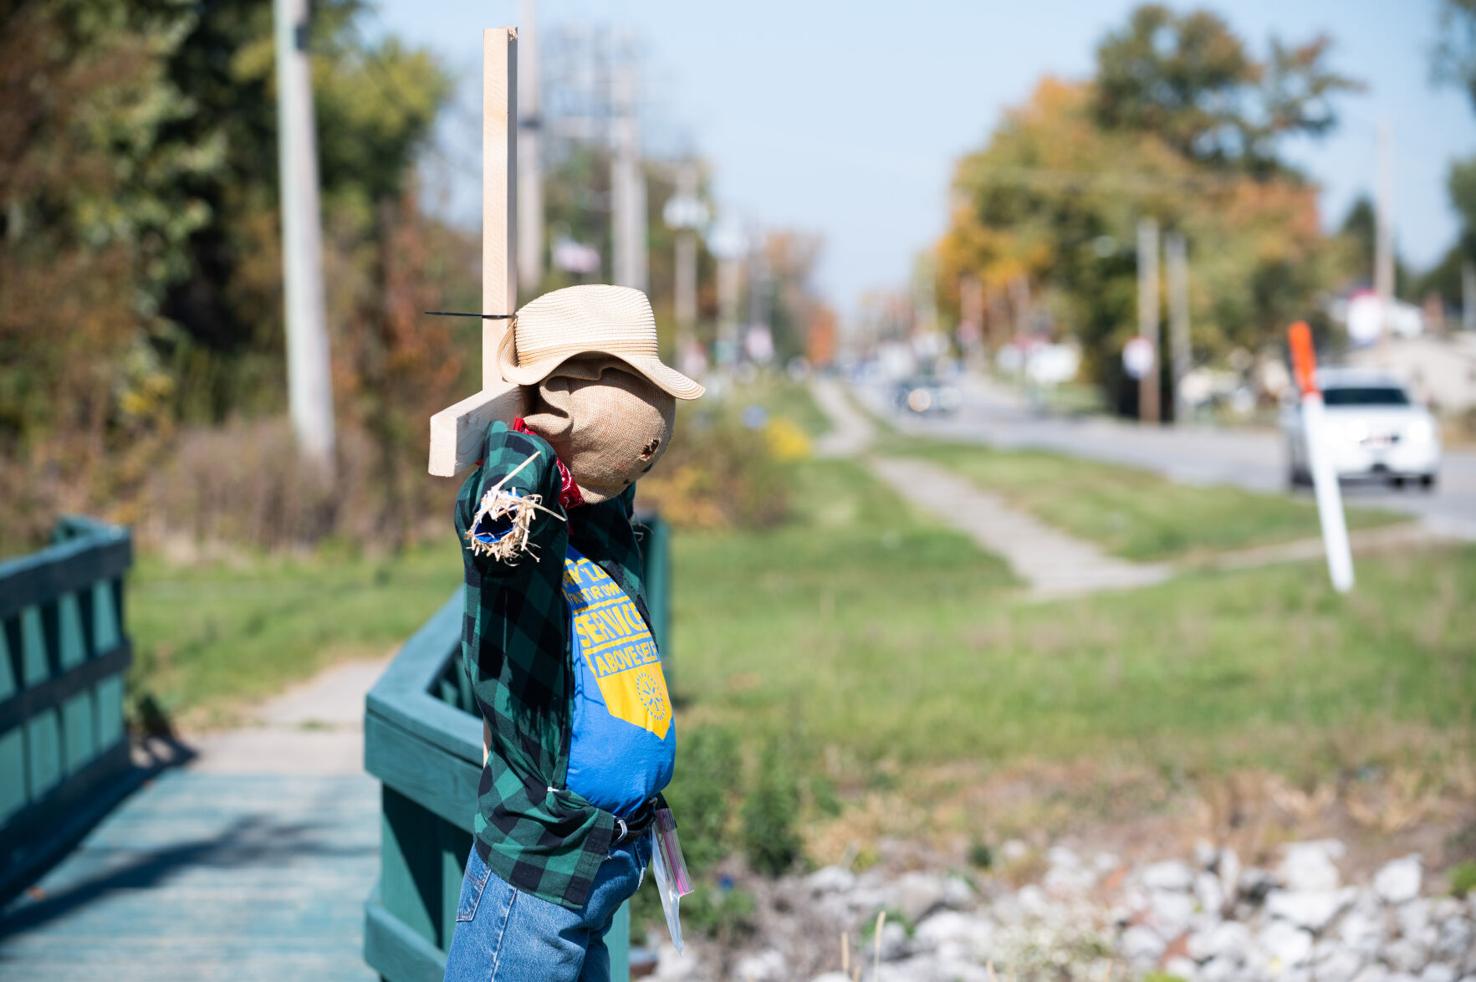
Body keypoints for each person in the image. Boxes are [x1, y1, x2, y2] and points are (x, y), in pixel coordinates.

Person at [443, 285, 703, 981]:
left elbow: (596, 480)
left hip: (599, 869)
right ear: (555, 405)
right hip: (532, 886)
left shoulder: (600, 523)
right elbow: (498, 509)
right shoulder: (525, 524)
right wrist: (520, 435)